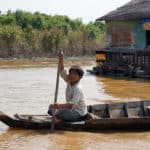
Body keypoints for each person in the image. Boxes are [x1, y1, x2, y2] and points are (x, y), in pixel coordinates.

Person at [48, 51, 87, 123]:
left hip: (79, 113)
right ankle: (58, 117)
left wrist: (59, 106)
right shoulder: (69, 81)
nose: (72, 76)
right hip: (71, 110)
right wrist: (61, 58)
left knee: (62, 112)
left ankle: (60, 119)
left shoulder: (78, 88)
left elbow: (71, 105)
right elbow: (61, 71)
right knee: (51, 107)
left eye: (75, 75)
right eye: (71, 74)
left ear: (80, 77)